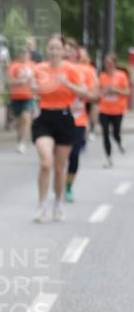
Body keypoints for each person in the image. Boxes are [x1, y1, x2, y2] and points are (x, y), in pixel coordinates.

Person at [30, 35, 87, 222]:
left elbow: (84, 93)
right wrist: (32, 85)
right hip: (45, 117)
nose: (54, 51)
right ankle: (41, 205)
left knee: (59, 168)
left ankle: (58, 204)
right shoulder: (39, 69)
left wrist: (67, 83)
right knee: (46, 163)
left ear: (63, 51)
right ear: (47, 50)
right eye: (51, 48)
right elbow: (33, 89)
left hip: (64, 118)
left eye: (58, 48)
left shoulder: (71, 69)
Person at [64, 37, 98, 201]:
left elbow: (94, 96)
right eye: (66, 48)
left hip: (77, 118)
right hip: (56, 118)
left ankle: (68, 187)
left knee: (74, 155)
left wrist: (83, 93)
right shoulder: (53, 69)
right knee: (57, 157)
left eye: (71, 49)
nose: (68, 52)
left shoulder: (87, 71)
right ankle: (58, 183)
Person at [98, 53, 130, 167]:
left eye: (110, 63)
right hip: (104, 110)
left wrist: (116, 90)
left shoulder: (121, 76)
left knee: (116, 133)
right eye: (106, 63)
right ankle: (109, 158)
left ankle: (118, 141)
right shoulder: (102, 76)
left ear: (115, 64)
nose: (108, 65)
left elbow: (127, 92)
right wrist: (104, 92)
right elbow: (98, 93)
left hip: (117, 110)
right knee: (105, 133)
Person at [7, 47, 35, 153]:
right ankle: (19, 141)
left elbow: (36, 78)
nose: (25, 56)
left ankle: (23, 142)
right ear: (19, 55)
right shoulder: (14, 66)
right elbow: (9, 81)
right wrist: (19, 81)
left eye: (27, 54)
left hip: (28, 97)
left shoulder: (33, 65)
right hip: (16, 97)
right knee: (18, 122)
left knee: (26, 118)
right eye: (23, 53)